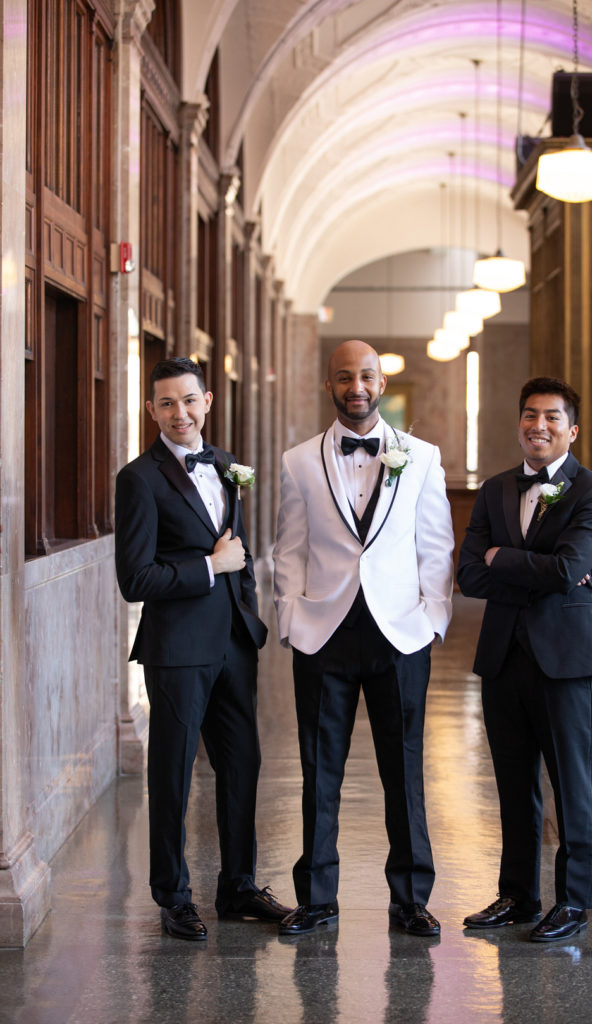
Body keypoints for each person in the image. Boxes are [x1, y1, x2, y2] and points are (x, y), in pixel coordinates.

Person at [272, 339, 454, 937]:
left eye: (367, 376)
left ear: (381, 383)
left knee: (404, 771)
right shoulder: (298, 461)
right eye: (345, 376)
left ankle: (410, 900)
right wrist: (291, 620)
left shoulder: (422, 458)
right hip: (323, 634)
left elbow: (436, 545)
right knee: (319, 772)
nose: (357, 386)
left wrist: (433, 620)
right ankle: (318, 897)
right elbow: (290, 548)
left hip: (400, 634)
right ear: (329, 384)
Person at [115, 357, 291, 941]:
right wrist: (210, 567)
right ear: (151, 411)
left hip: (234, 644)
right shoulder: (138, 479)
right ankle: (173, 895)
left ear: (207, 402)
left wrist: (247, 607)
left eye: (188, 400)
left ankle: (238, 885)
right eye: (166, 403)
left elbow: (236, 547)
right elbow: (134, 579)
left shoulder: (224, 464)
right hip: (177, 649)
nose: (179, 413)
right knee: (172, 773)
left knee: (242, 765)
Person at [457, 376, 592, 942]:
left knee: (571, 782)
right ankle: (518, 895)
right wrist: (527, 565)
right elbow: (469, 574)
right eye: (530, 415)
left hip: (566, 658)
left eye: (552, 417)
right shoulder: (496, 489)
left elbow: (568, 570)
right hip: (502, 655)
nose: (538, 425)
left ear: (571, 430)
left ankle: (573, 901)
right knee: (512, 781)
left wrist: (506, 557)